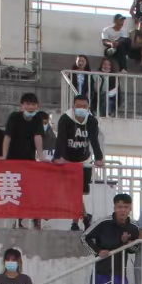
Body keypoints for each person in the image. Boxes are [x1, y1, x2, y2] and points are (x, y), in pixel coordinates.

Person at [54, 93, 105, 229]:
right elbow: (60, 139)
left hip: (84, 160)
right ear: (73, 106)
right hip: (68, 160)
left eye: (84, 106)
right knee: (73, 193)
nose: (81, 109)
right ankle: (81, 219)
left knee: (77, 193)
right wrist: (57, 156)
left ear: (88, 107)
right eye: (78, 106)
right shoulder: (65, 119)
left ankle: (79, 220)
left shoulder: (91, 120)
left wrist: (99, 158)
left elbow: (94, 139)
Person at [1, 92, 50, 161]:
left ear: (37, 106)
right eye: (28, 104)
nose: (30, 107)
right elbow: (7, 136)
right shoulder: (14, 117)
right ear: (21, 105)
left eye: (33, 104)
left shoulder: (38, 118)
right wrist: (4, 156)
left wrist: (41, 157)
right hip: (12, 157)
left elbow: (38, 136)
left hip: (29, 158)